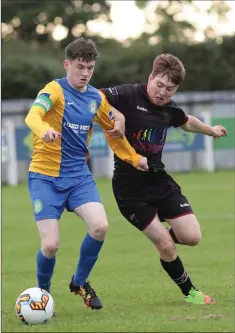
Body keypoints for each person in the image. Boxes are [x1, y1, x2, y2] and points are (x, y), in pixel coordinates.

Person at [25, 37, 148, 311]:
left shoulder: (95, 98)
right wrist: (43, 130)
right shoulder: (54, 90)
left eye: (90, 68)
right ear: (67, 64)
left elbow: (114, 133)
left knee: (100, 227)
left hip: (79, 177)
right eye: (80, 67)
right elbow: (32, 116)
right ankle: (42, 297)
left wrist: (134, 157)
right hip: (45, 177)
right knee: (51, 245)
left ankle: (79, 282)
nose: (84, 73)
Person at [100, 53, 228, 305]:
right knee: (166, 246)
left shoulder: (169, 110)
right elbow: (95, 97)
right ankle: (190, 292)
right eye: (159, 85)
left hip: (159, 181)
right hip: (129, 189)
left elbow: (187, 122)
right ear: (150, 78)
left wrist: (210, 130)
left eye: (170, 89)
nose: (162, 92)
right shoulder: (127, 94)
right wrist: (119, 116)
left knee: (192, 237)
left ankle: (165, 240)